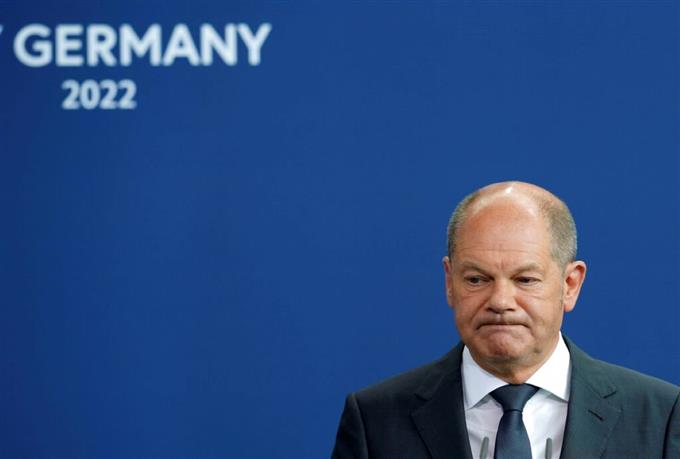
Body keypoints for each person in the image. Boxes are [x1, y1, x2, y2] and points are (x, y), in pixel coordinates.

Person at [331, 181, 680, 459]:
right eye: (476, 279)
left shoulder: (660, 418)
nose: (500, 301)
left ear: (570, 284)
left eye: (525, 280)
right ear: (449, 282)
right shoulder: (375, 421)